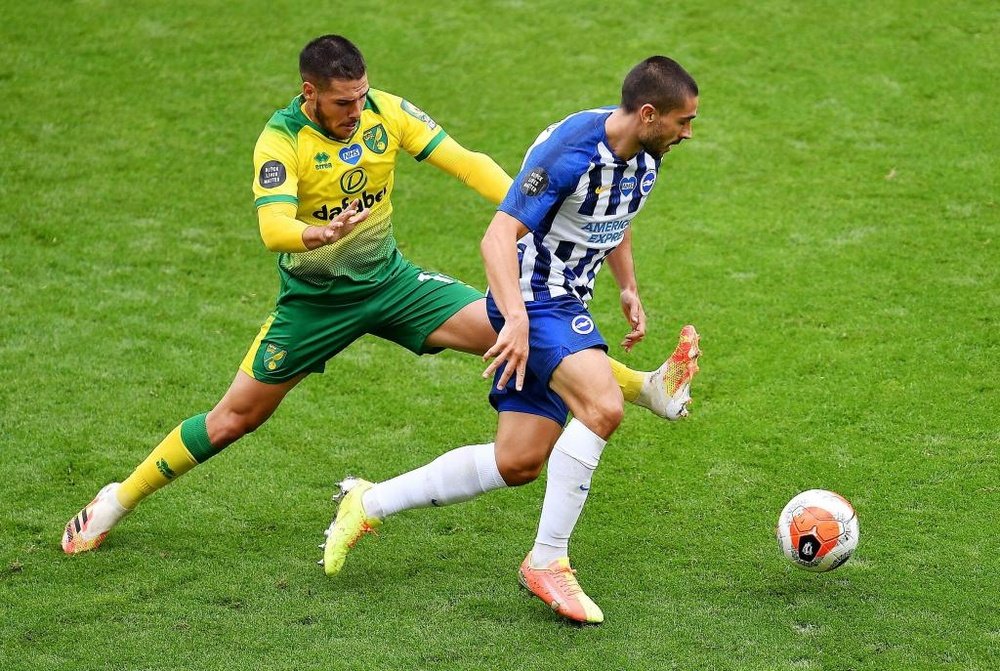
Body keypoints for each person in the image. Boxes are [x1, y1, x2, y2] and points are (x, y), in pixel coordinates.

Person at [61, 37, 693, 556]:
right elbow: (272, 229)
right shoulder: (280, 142)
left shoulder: (385, 112)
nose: (355, 111)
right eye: (342, 103)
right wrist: (317, 231)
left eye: (361, 97)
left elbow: (466, 161)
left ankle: (639, 387)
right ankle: (119, 498)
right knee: (233, 420)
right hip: (315, 307)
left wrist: (535, 204)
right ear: (309, 93)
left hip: (393, 285)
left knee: (513, 327)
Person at [321, 56, 701, 625]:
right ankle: (548, 561)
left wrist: (627, 287)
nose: (688, 133)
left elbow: (613, 219)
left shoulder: (645, 155)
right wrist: (517, 319)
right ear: (649, 114)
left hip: (568, 299)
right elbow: (497, 236)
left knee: (518, 460)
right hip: (535, 296)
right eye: (683, 121)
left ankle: (367, 502)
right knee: (600, 406)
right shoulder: (570, 152)